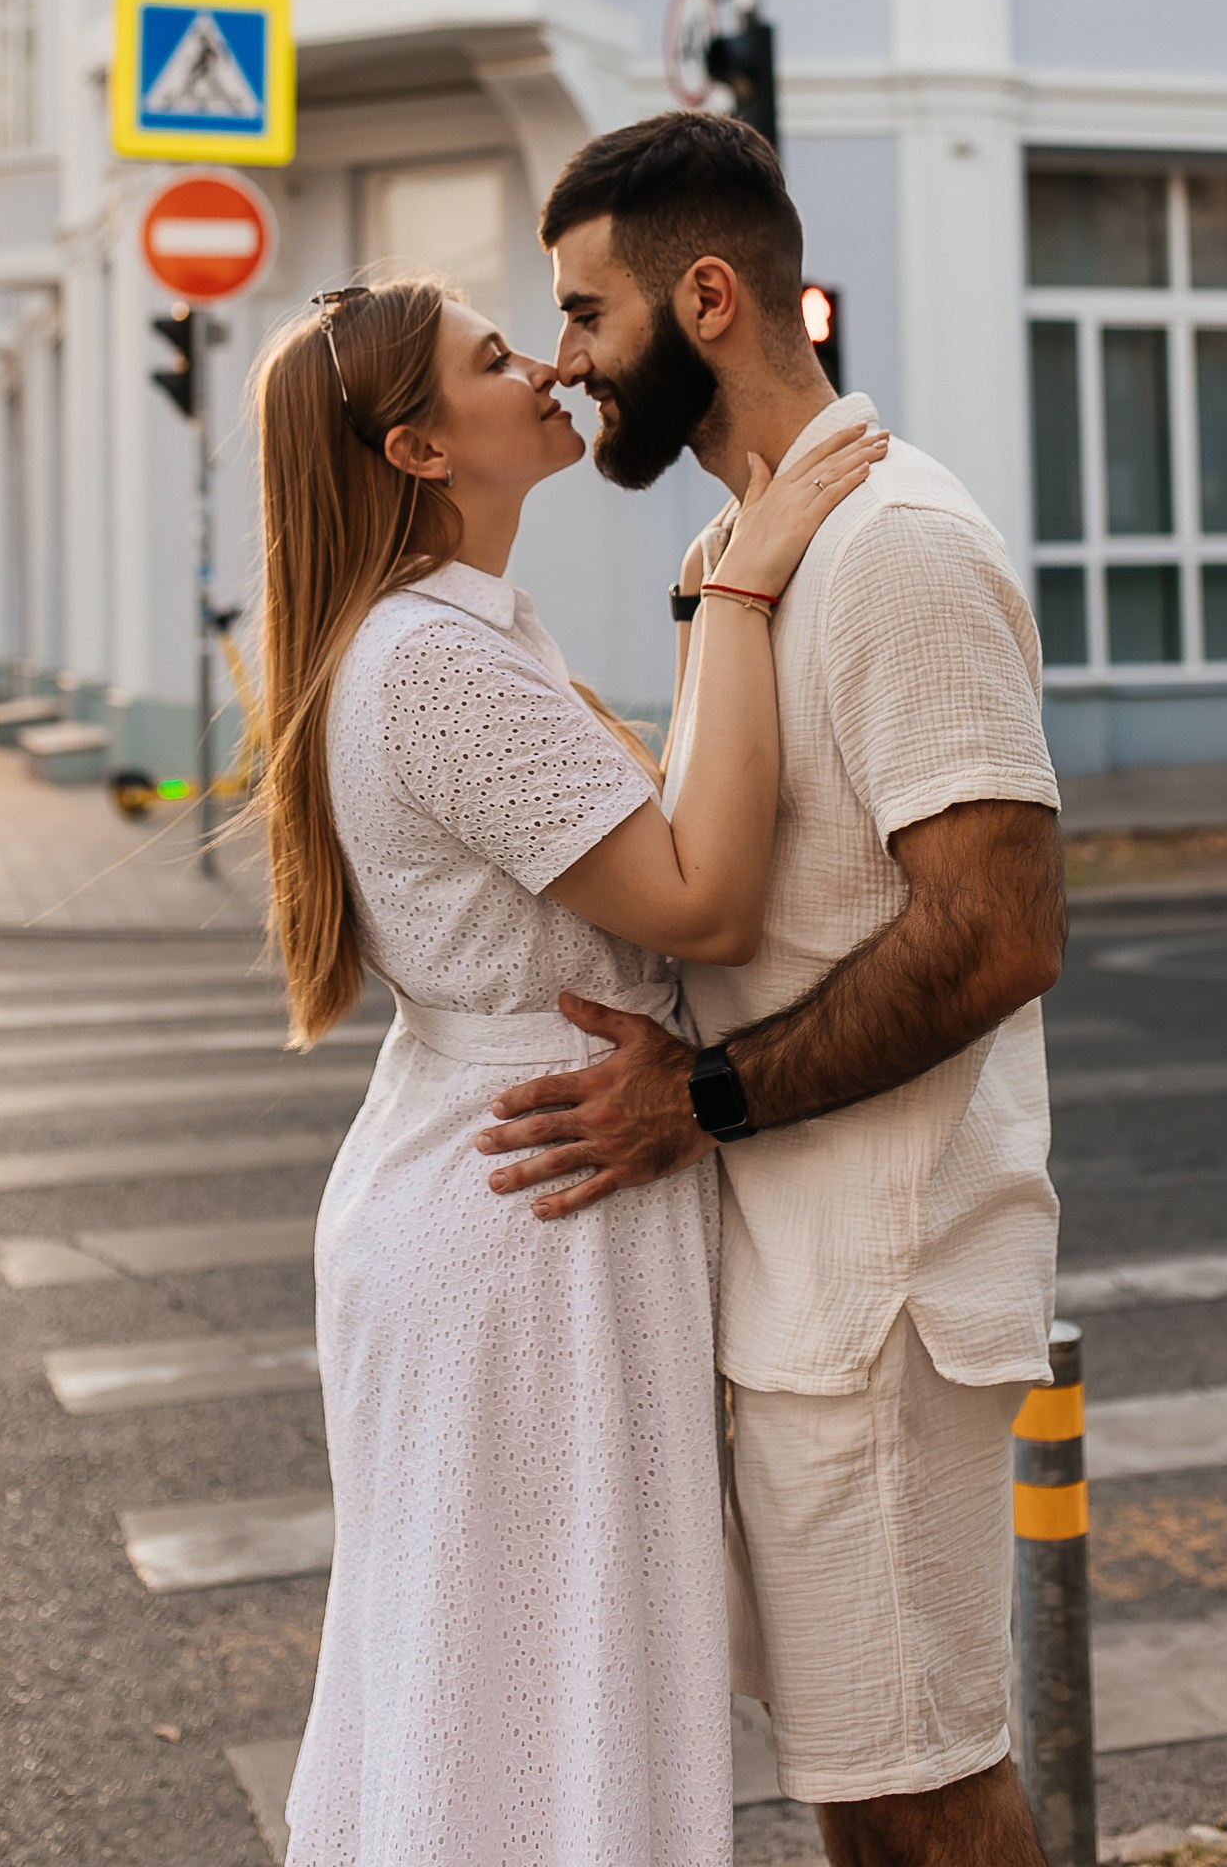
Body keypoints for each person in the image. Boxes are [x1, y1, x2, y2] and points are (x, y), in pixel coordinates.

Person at [476, 113, 1066, 1867]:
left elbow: (998, 930)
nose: (570, 364)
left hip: (883, 1289)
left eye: (587, 316)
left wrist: (702, 1099)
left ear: (709, 298)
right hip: (800, 1288)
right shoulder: (753, 552)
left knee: (924, 1794)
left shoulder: (894, 547)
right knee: (860, 1793)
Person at [256, 272, 885, 1867]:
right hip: (532, 1214)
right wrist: (745, 593)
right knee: (537, 1711)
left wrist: (712, 601)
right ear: (412, 448)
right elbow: (700, 897)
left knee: (490, 1699)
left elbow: (644, 849)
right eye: (491, 358)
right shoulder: (437, 663)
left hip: (510, 1190)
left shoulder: (440, 637)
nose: (542, 363)